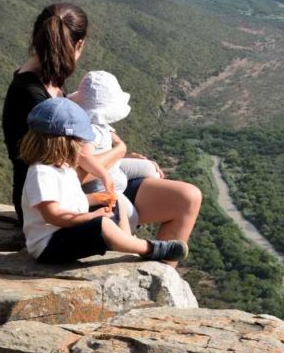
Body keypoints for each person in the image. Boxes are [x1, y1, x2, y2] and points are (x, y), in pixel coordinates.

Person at [1, 2, 202, 266]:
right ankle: (151, 268)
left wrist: (117, 157)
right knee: (118, 217)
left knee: (187, 197)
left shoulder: (53, 84)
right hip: (59, 197)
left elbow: (82, 154)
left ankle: (162, 275)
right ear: (78, 45)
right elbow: (67, 168)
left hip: (84, 188)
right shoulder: (34, 99)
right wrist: (116, 153)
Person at [18, 97, 186, 264]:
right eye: (80, 141)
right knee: (103, 225)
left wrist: (97, 198)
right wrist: (91, 217)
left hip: (66, 232)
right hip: (49, 246)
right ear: (64, 142)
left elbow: (70, 201)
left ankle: (127, 241)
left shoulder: (63, 168)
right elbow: (53, 216)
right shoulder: (41, 173)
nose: (82, 146)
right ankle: (150, 249)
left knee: (116, 199)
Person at [67, 70, 163, 228]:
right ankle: (123, 228)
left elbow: (109, 132)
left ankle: (139, 196)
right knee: (132, 218)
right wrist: (104, 175)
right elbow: (83, 155)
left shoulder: (97, 122)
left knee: (150, 168)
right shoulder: (88, 131)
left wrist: (120, 147)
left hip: (115, 169)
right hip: (104, 188)